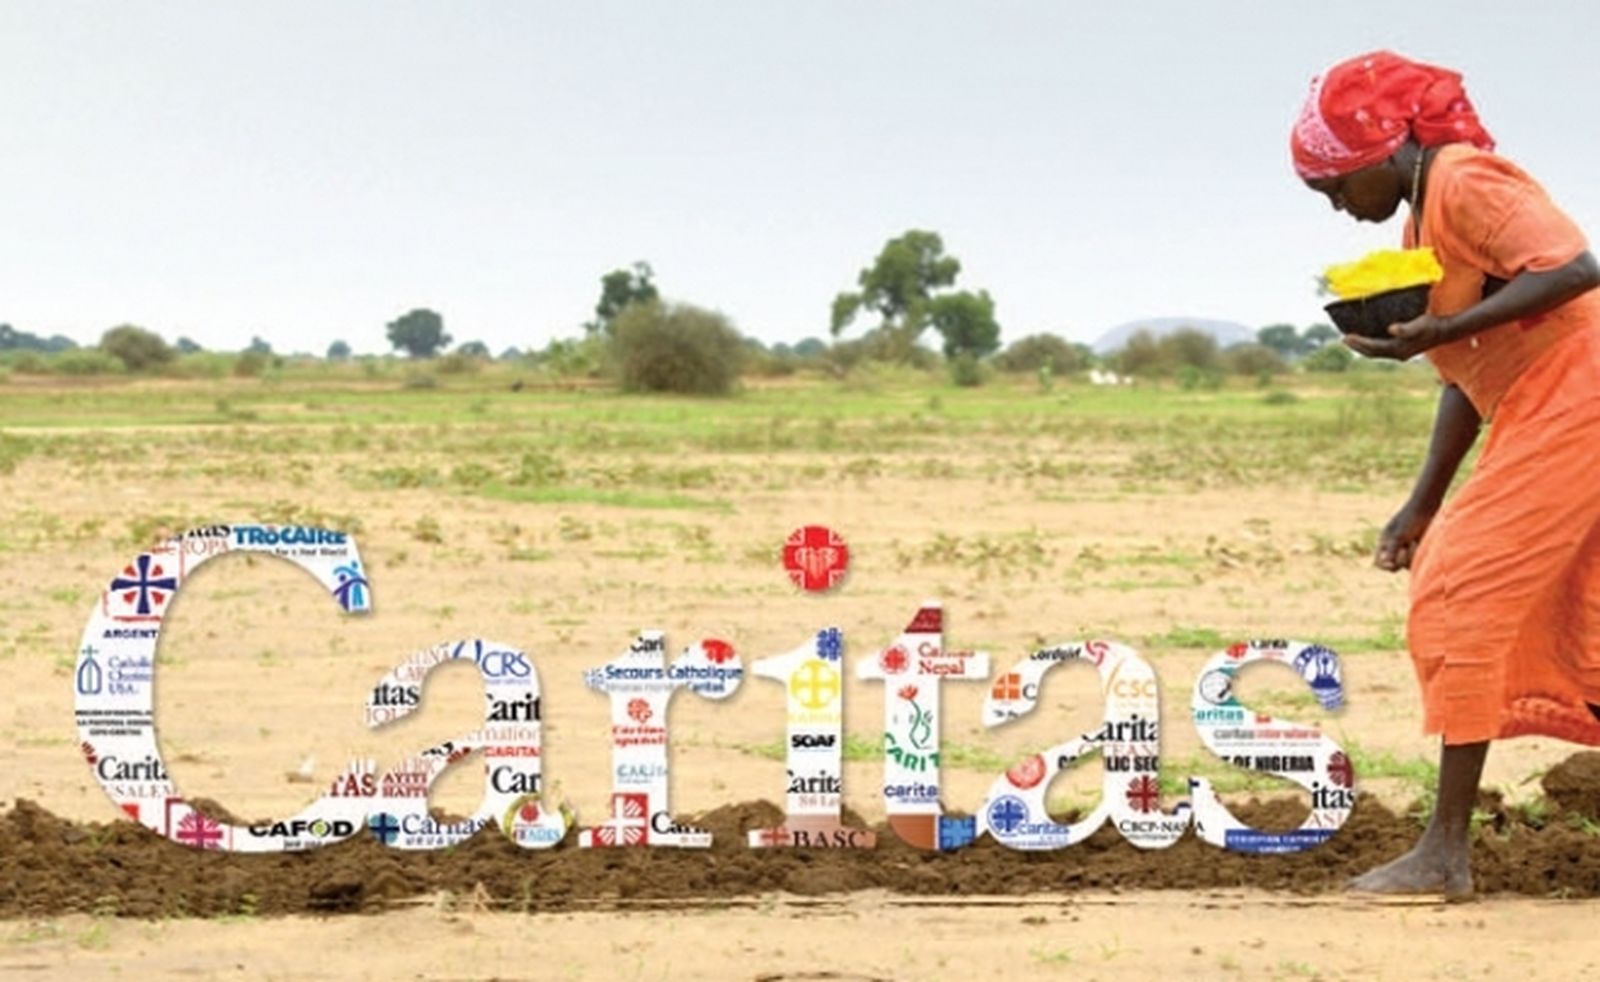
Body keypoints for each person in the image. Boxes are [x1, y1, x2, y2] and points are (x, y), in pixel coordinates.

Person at [1293, 51, 1600, 897]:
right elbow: (1464, 375)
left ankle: (1444, 853)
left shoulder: (1464, 181)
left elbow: (1574, 266)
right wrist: (1417, 505)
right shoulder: (1422, 218)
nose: (1336, 207)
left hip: (1580, 398)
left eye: (1334, 185)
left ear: (1378, 148)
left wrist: (1438, 329)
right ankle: (1446, 849)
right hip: (1542, 408)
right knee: (1580, 611)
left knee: (1462, 589)